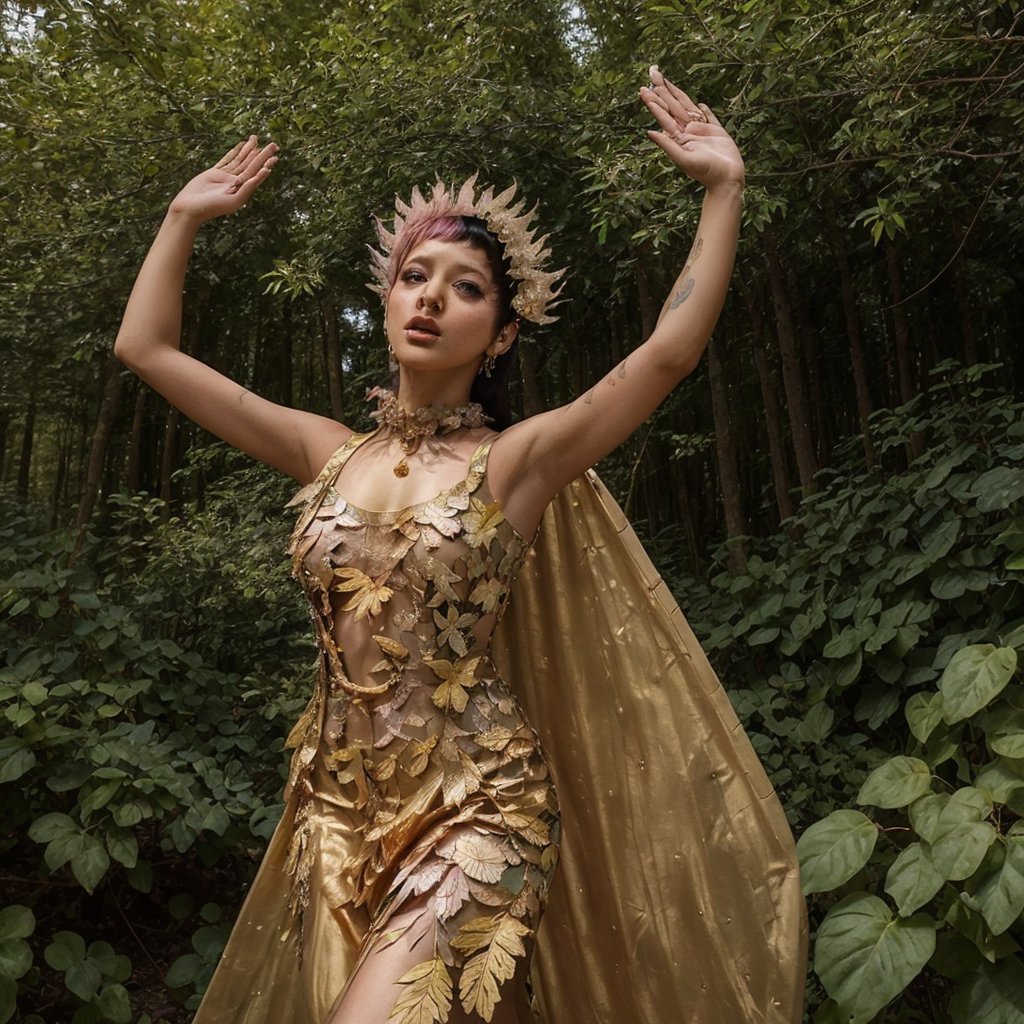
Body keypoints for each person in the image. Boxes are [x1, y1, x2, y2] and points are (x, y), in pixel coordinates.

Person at [114, 67, 806, 1024]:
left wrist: (725, 189)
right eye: (413, 277)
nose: (430, 299)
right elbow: (146, 350)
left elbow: (668, 353)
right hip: (334, 813)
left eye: (465, 287)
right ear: (388, 302)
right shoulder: (324, 449)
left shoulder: (517, 463)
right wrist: (183, 218)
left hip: (477, 806)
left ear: (501, 332)